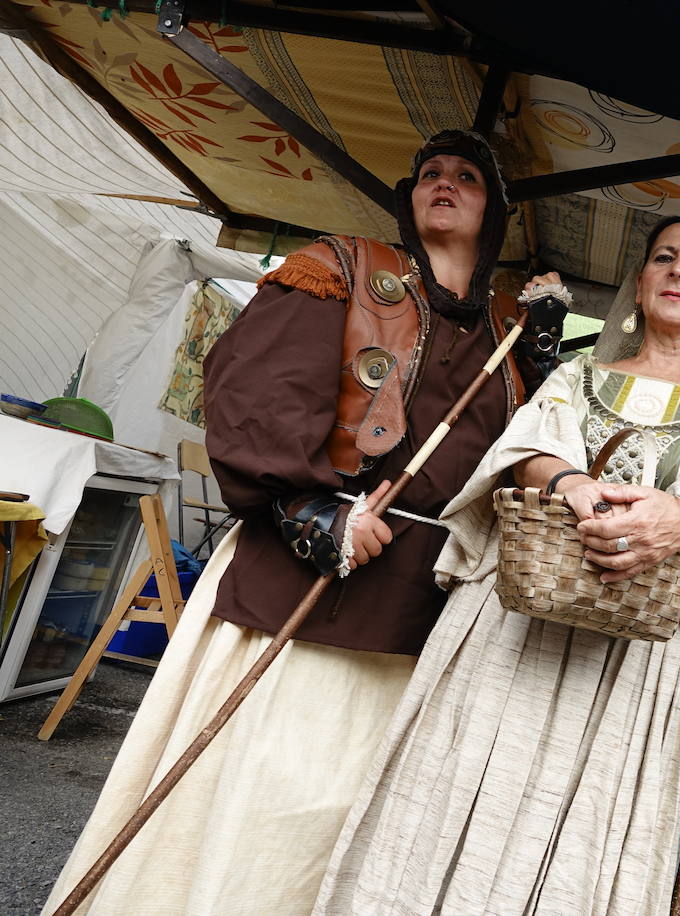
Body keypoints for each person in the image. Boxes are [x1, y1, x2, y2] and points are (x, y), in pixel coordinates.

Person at [42, 130, 540, 915]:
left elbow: (523, 466)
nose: (444, 183)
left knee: (345, 819)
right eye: (430, 173)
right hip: (301, 566)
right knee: (249, 793)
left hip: (419, 612)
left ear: (497, 212)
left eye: (468, 176)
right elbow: (254, 385)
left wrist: (539, 361)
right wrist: (307, 504)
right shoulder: (344, 265)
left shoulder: (509, 336)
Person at [312, 216, 680, 915]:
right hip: (511, 624)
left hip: (632, 654)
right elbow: (524, 445)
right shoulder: (578, 373)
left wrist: (675, 519)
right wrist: (570, 484)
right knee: (461, 781)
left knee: (586, 818)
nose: (679, 271)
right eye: (664, 258)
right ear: (641, 281)